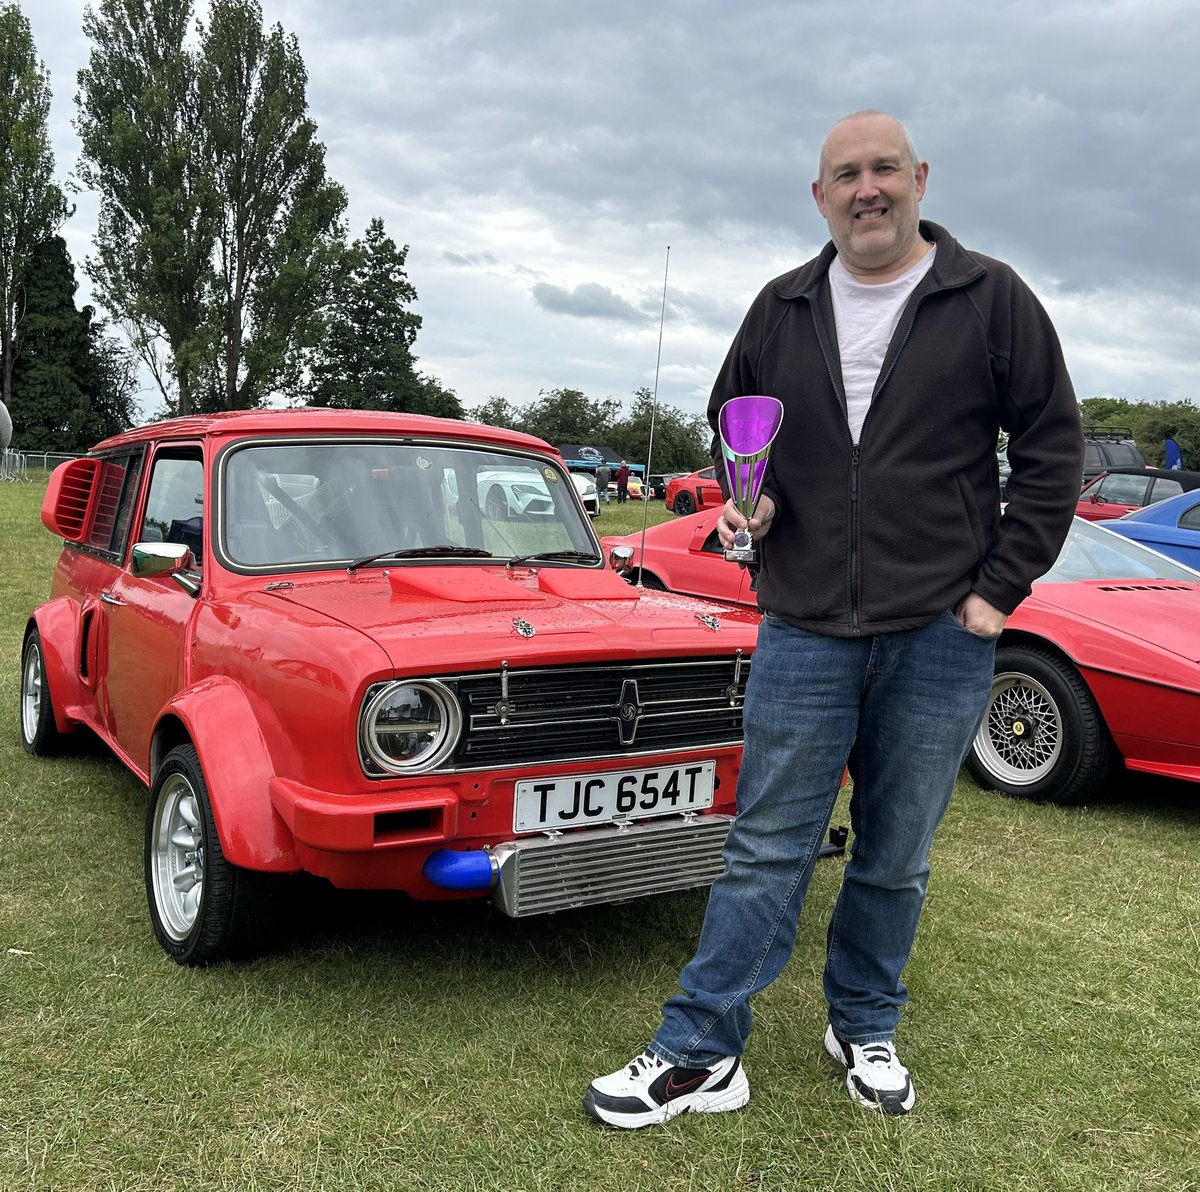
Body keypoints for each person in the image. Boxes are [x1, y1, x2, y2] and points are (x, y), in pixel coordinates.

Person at [584, 110, 1082, 1128]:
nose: (868, 189)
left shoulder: (990, 299)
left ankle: (864, 1022)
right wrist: (746, 498)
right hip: (806, 622)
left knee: (896, 851)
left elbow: (1052, 448)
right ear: (820, 196)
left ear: (921, 179)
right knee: (766, 845)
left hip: (942, 631)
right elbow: (734, 426)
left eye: (885, 170)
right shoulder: (784, 305)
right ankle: (703, 1049)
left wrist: (998, 589)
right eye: (846, 174)